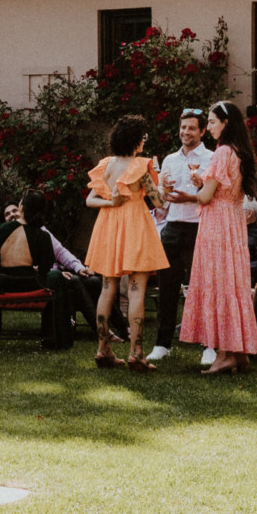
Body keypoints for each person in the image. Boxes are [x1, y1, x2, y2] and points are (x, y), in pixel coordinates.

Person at [173, 100, 257, 375]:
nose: (208, 126)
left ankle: (224, 354)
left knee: (218, 282)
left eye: (211, 122)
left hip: (217, 227)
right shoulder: (240, 151)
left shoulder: (222, 152)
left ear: (225, 123)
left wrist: (187, 194)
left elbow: (205, 197)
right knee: (232, 284)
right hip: (233, 223)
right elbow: (225, 190)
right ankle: (240, 353)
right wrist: (204, 184)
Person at [83, 116, 170, 371]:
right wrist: (162, 185)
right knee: (136, 290)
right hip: (135, 225)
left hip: (109, 225)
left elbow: (90, 199)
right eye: (143, 136)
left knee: (107, 287)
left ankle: (103, 349)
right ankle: (137, 353)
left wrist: (110, 202)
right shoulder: (141, 165)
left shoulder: (107, 165)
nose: (144, 140)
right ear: (135, 139)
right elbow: (158, 202)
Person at [0, 197, 100, 350]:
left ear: (22, 209)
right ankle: (58, 334)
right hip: (33, 286)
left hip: (6, 284)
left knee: (67, 279)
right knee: (57, 279)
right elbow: (46, 268)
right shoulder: (41, 235)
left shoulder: (1, 230)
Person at [145, 110, 213, 365]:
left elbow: (212, 196)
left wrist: (195, 190)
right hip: (172, 227)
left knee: (204, 289)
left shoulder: (212, 158)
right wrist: (163, 191)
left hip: (199, 227)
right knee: (167, 288)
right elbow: (161, 201)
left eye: (192, 128)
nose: (186, 132)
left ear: (202, 131)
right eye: (183, 128)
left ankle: (210, 345)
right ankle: (162, 344)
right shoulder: (170, 159)